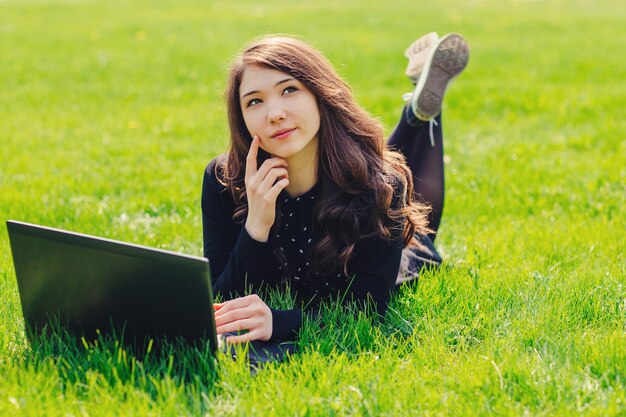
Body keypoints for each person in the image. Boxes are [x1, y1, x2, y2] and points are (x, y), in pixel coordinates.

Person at [201, 32, 469, 344]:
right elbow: (221, 305)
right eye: (255, 101)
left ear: (319, 94)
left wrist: (280, 321)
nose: (274, 114)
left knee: (398, 202)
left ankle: (422, 114)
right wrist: (256, 225)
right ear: (242, 117)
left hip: (393, 242)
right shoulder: (223, 180)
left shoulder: (380, 189)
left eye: (289, 90)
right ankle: (417, 111)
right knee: (375, 173)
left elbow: (367, 310)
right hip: (360, 178)